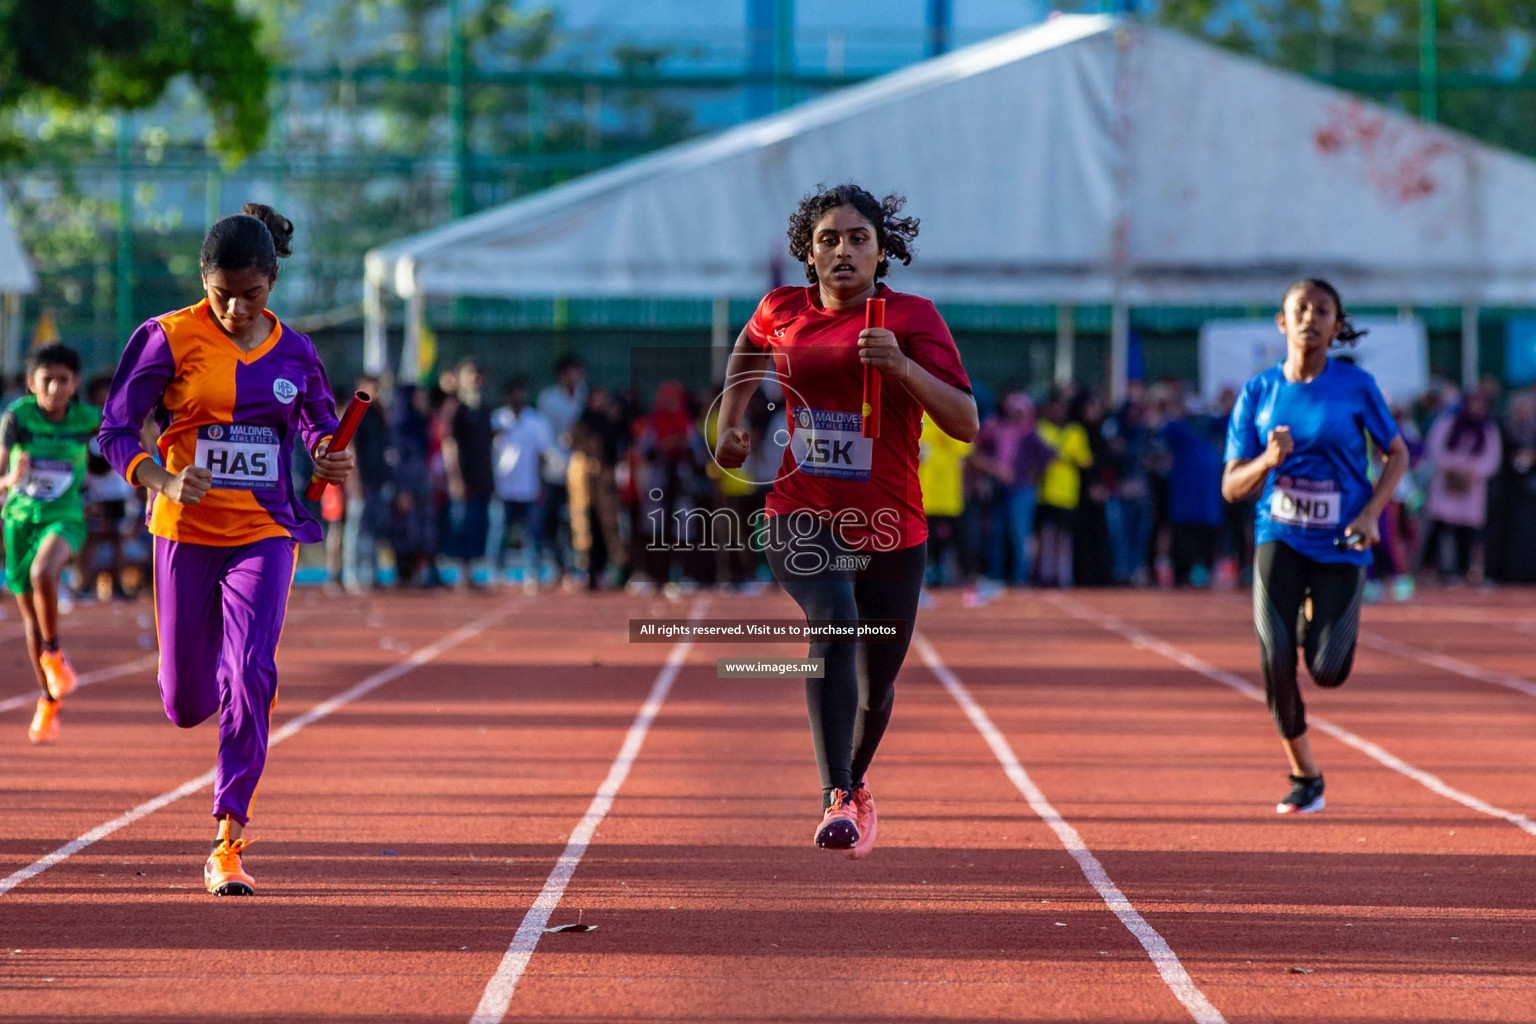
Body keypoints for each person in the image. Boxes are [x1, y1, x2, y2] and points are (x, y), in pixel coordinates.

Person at [714, 182, 977, 858]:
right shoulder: (781, 309)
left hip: (891, 525)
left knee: (877, 683)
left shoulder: (914, 318)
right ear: (808, 252)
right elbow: (748, 348)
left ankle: (856, 785)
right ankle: (835, 794)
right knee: (833, 614)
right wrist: (735, 419)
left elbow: (965, 423)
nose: (843, 250)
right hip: (800, 511)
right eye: (828, 239)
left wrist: (902, 368)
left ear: (882, 251)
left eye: (858, 238)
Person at [98, 203, 354, 894]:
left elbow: (318, 424)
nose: (237, 309)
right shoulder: (165, 337)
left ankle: (228, 840)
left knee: (251, 672)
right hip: (184, 531)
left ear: (273, 281)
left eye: (252, 295)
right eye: (223, 296)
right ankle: (221, 688)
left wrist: (327, 454)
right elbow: (116, 431)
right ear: (203, 281)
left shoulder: (297, 352)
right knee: (184, 702)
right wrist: (162, 476)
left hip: (265, 531)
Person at [1222, 279, 1407, 815]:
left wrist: (1372, 514)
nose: (1310, 318)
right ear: (1282, 322)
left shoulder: (1355, 386)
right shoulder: (1258, 392)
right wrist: (1266, 461)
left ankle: (1311, 619)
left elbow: (1397, 454)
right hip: (1277, 535)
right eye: (1299, 309)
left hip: (1343, 540)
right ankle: (1305, 774)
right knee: (1274, 657)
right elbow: (1231, 487)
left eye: (1321, 310)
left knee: (1328, 670)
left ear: (1335, 323)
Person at [1, 344, 100, 744]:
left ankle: (56, 653)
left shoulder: (88, 419)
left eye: (64, 381)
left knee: (46, 571)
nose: (56, 388)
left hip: (65, 518)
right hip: (19, 521)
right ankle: (48, 698)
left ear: (75, 383)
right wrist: (11, 478)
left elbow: (129, 437)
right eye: (48, 381)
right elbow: (0, 473)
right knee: (30, 623)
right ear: (31, 383)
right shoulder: (18, 417)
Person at [1417, 389, 1502, 584]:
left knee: (1466, 533)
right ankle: (1430, 570)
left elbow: (1492, 459)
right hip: (1446, 483)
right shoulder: (1447, 423)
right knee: (1439, 527)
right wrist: (1452, 468)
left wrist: (1471, 473)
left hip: (1471, 487)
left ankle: (1464, 571)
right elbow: (1435, 448)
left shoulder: (1488, 430)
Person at [490, 377, 552, 591]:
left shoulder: (536, 422)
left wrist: (541, 485)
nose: (517, 397)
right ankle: (497, 573)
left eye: (521, 392)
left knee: (532, 534)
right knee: (499, 532)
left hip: (529, 489)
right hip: (503, 489)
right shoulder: (496, 420)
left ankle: (531, 574)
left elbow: (542, 456)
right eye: (513, 393)